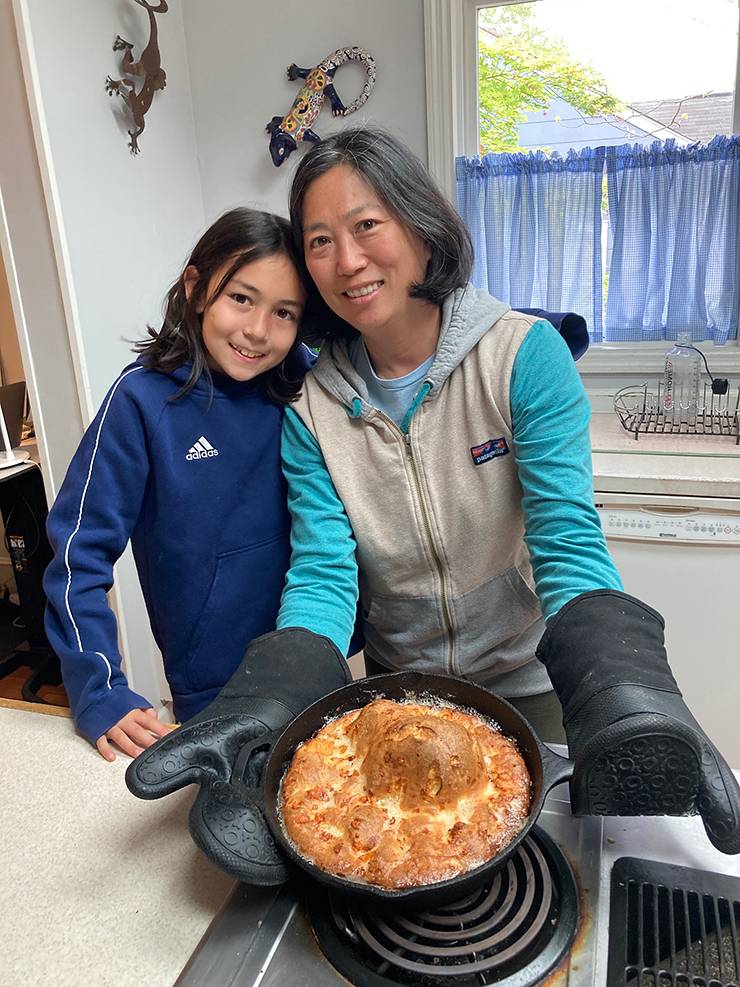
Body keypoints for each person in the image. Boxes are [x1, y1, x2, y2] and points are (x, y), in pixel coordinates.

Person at [126, 129, 739, 880]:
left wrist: (628, 683)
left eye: (366, 225)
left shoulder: (524, 356)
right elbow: (323, 572)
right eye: (319, 240)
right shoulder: (310, 405)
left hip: (532, 692)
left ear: (419, 224)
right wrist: (269, 698)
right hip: (392, 699)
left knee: (557, 871)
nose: (346, 261)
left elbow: (567, 542)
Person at [43, 208, 319, 761]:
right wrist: (99, 689)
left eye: (284, 312)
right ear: (196, 289)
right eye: (241, 298)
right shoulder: (141, 401)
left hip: (318, 662)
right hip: (211, 688)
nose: (258, 330)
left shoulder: (308, 384)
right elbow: (78, 556)